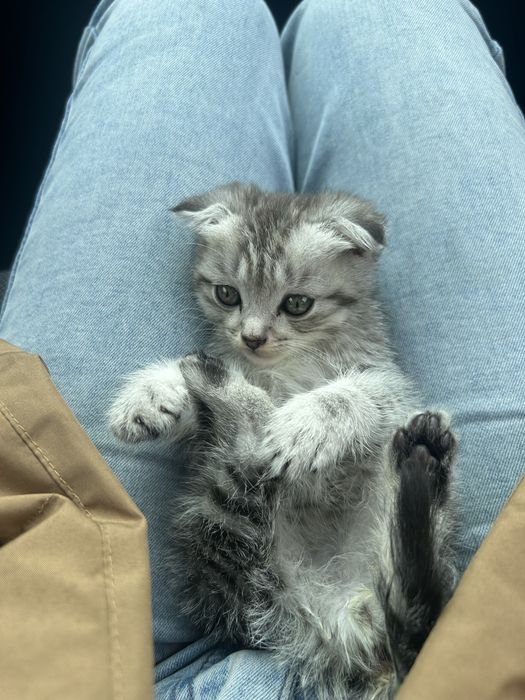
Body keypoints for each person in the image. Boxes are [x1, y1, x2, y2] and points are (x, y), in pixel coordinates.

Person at [1, 0, 524, 698]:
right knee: (388, 16)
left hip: (142, 656)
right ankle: (407, 598)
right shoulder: (268, 315)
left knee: (182, 14)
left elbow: (376, 389)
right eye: (226, 296)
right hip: (349, 616)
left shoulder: (349, 313)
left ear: (357, 262)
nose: (252, 331)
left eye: (294, 306)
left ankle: (250, 432)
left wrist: (302, 404)